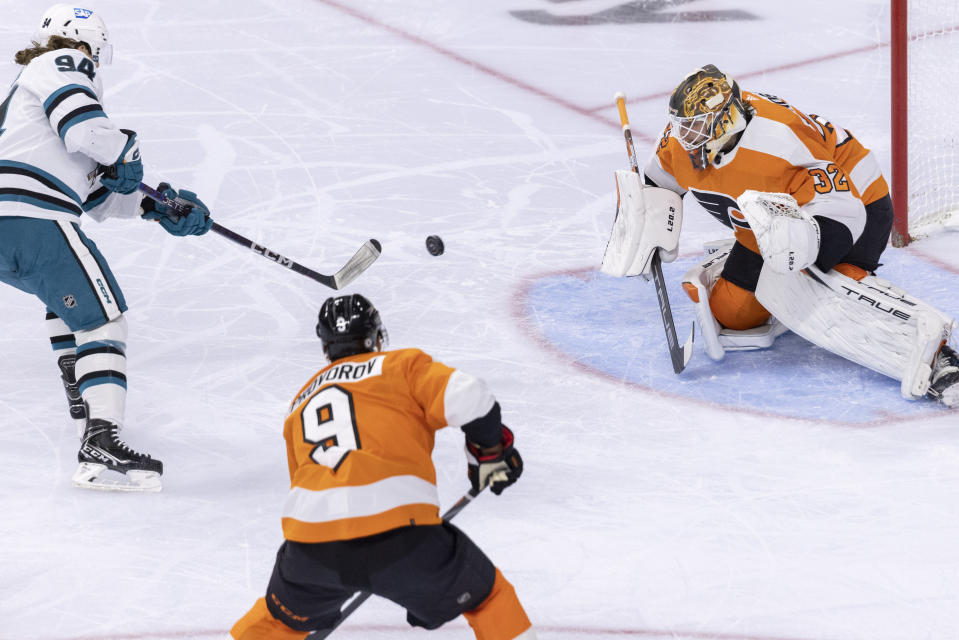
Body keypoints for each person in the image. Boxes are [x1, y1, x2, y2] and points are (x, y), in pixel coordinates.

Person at [602, 63, 959, 406]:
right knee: (732, 313)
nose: (683, 137)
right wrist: (648, 225)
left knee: (831, 297)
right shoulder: (686, 143)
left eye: (694, 128)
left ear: (724, 119)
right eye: (682, 126)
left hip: (856, 205)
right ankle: (767, 258)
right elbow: (659, 183)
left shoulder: (780, 143)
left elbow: (844, 212)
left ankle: (940, 357)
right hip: (771, 220)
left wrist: (800, 254)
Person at [230, 294, 534, 640]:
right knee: (489, 599)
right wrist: (489, 454)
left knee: (276, 621)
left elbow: (306, 480)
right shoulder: (400, 367)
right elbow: (473, 397)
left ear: (326, 348)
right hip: (401, 538)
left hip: (311, 549)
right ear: (376, 337)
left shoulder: (300, 402)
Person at [0, 4, 214, 491]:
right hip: (30, 217)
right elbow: (89, 132)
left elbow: (95, 196)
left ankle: (86, 402)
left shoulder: (25, 105)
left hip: (11, 224)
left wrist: (160, 206)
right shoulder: (60, 65)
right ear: (86, 45)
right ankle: (101, 440)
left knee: (70, 307)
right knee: (103, 318)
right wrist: (126, 151)